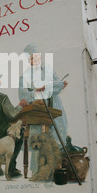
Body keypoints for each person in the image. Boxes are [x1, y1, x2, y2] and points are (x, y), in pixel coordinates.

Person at [19, 43, 69, 175]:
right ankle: (39, 172)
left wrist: (59, 85)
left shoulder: (49, 69)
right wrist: (37, 91)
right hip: (38, 112)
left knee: (59, 136)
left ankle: (56, 170)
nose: (34, 59)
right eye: (31, 58)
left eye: (35, 56)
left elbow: (57, 85)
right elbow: (23, 95)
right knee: (39, 141)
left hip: (55, 107)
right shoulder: (24, 77)